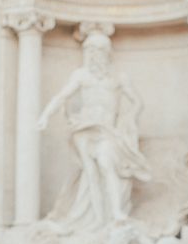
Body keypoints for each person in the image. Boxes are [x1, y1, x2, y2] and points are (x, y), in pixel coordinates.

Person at [36, 30, 151, 228]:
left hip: (107, 130)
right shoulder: (81, 75)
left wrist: (129, 120)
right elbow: (62, 97)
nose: (91, 56)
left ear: (106, 53)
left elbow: (137, 102)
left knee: (107, 163)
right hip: (85, 129)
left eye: (95, 51)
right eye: (88, 51)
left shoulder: (118, 77)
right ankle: (99, 219)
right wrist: (45, 115)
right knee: (90, 174)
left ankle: (116, 212)